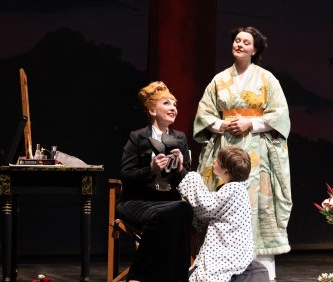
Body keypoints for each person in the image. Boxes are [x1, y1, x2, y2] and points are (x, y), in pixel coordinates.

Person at [193, 26, 292, 280]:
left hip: (256, 151)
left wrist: (251, 123)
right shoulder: (219, 80)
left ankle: (261, 275)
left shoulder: (267, 79)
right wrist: (220, 124)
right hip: (225, 147)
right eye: (237, 40)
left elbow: (280, 114)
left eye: (245, 42)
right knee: (223, 204)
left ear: (255, 49)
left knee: (257, 207)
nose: (239, 45)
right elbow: (204, 113)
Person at [117, 81, 193, 282]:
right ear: (152, 110)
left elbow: (187, 178)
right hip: (138, 200)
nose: (173, 109)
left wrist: (180, 169)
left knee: (184, 210)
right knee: (165, 216)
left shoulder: (180, 138)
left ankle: (178, 277)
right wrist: (150, 169)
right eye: (167, 103)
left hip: (168, 201)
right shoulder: (137, 137)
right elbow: (126, 175)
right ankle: (137, 276)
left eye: (175, 105)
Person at [177, 146, 270, 282]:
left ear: (226, 170)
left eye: (218, 161)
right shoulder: (236, 188)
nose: (214, 161)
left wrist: (189, 175)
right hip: (232, 247)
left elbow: (205, 204)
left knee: (208, 275)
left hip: (229, 249)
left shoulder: (234, 189)